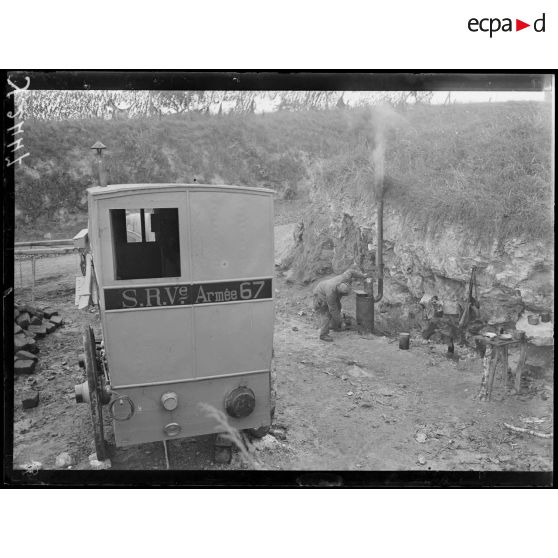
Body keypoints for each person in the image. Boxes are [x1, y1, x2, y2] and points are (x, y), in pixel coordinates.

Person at [313, 266, 365, 342]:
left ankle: (334, 326)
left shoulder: (344, 278)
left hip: (325, 287)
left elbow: (351, 271)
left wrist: (363, 275)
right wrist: (341, 322)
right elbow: (333, 310)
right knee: (326, 314)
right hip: (320, 294)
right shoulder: (331, 294)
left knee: (338, 306)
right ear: (338, 292)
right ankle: (323, 335)